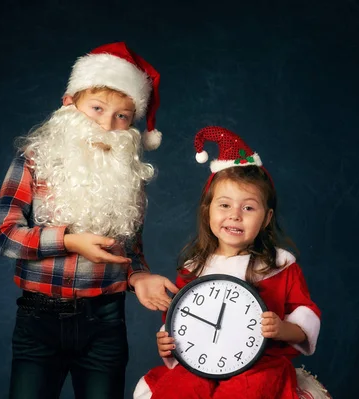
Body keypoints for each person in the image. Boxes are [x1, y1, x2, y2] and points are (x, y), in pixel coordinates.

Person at [0, 42, 179, 399]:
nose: (107, 124)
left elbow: (130, 251)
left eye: (122, 116)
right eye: (97, 108)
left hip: (105, 323)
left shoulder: (127, 173)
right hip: (38, 320)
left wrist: (139, 276)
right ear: (69, 104)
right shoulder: (35, 160)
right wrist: (68, 241)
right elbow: (2, 235)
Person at [134, 126, 321, 399]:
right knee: (179, 389)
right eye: (224, 205)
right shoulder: (193, 269)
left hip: (262, 365)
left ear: (266, 218)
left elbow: (305, 319)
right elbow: (180, 322)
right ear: (207, 210)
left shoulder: (280, 266)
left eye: (248, 208)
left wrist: (282, 329)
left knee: (246, 391)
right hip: (201, 364)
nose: (235, 215)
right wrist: (167, 343)